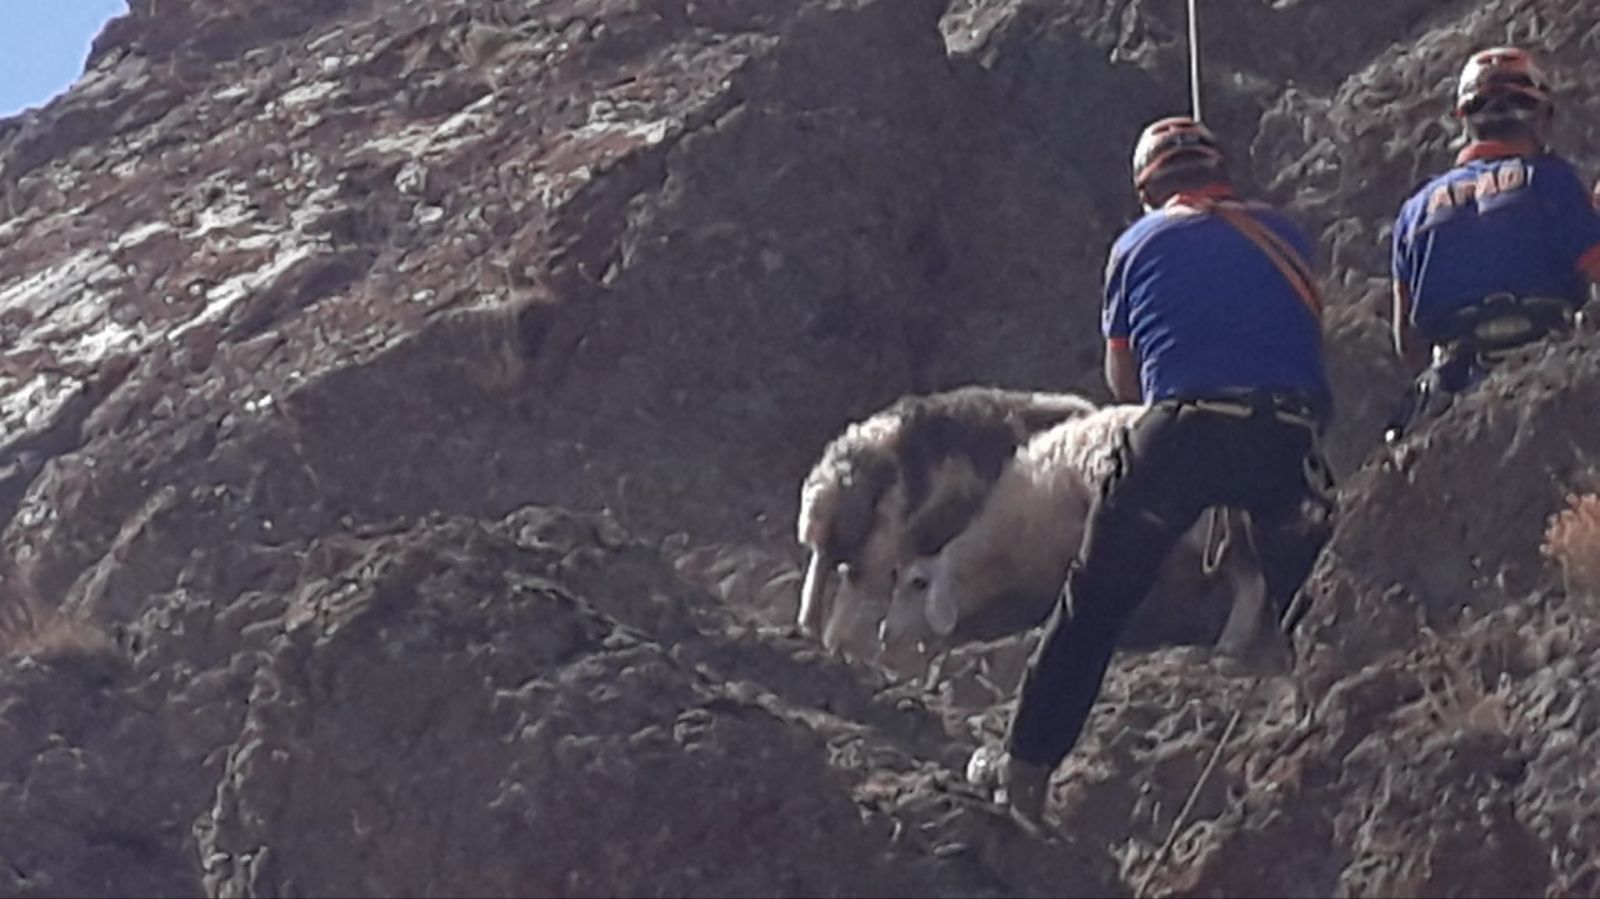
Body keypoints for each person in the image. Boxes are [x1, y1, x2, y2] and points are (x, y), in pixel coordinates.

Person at [986, 116, 1338, 823]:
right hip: (1284, 433)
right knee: (1312, 601)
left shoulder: (1134, 245)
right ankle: (1334, 727)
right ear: (1222, 172)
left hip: (1179, 435)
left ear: (1147, 189)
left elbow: (1126, 383)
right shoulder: (1283, 234)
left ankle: (1024, 773)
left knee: (1093, 608)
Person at [1389, 47, 1600, 437]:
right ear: (1543, 115)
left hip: (1455, 389)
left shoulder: (1414, 211)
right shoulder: (1554, 181)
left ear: (1463, 118)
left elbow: (1408, 343)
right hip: (1551, 370)